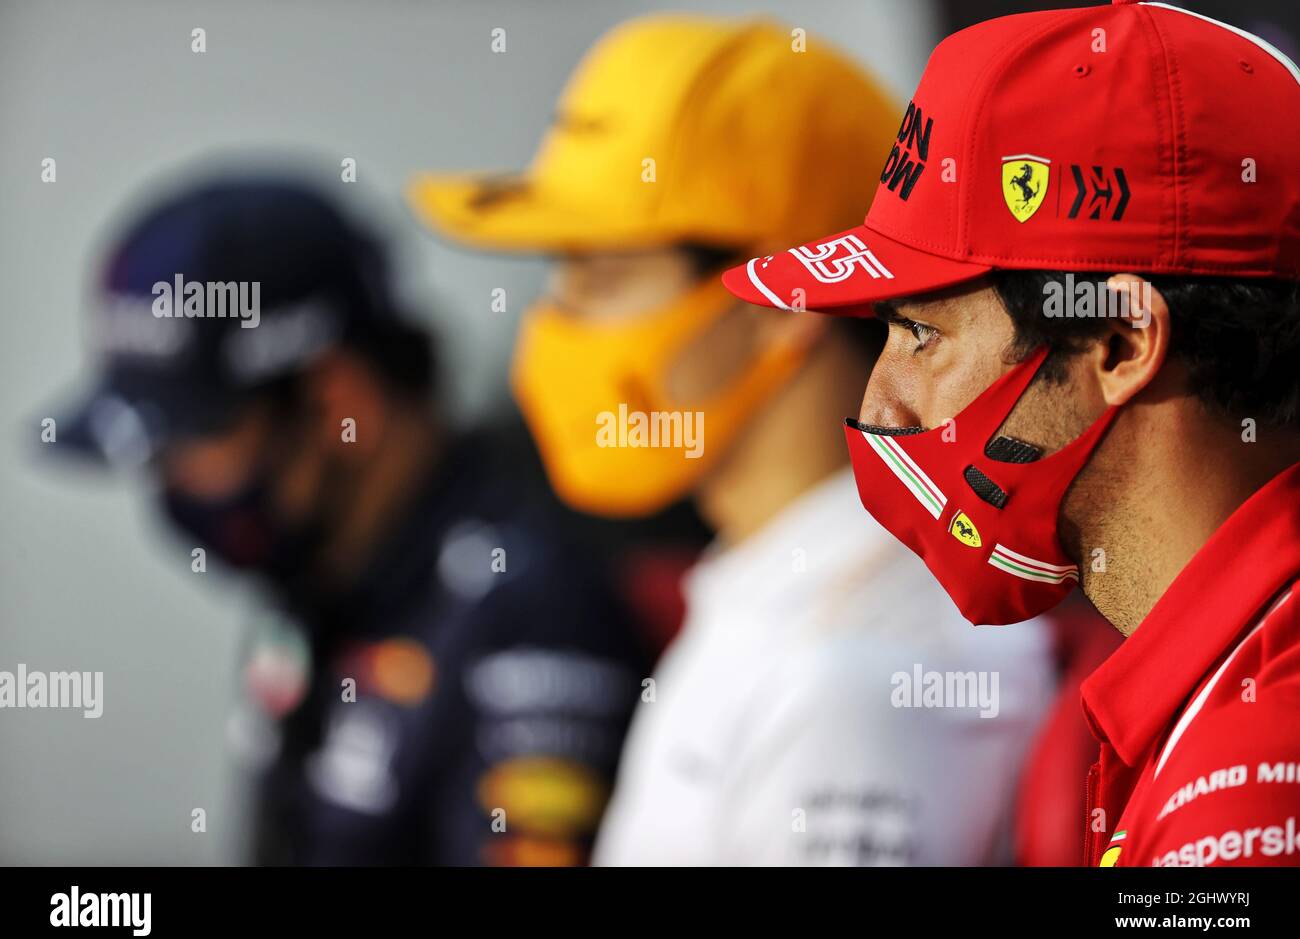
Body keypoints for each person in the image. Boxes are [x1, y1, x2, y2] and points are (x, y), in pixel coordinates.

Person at [409, 15, 1055, 865]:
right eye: (555, 276)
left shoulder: (858, 672)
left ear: (784, 301)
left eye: (601, 277)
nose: (547, 329)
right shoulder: (771, 590)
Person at [724, 0, 1300, 867]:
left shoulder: (1249, 776)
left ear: (1119, 342)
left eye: (922, 333)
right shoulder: (1213, 689)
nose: (880, 405)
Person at [45, 174, 648, 865]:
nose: (170, 485)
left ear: (339, 406)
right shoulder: (323, 587)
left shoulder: (530, 612)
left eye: (191, 441)